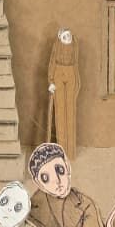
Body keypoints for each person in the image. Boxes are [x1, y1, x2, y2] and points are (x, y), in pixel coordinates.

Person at [47, 29, 79, 160]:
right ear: (60, 38)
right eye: (64, 36)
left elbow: (76, 64)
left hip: (71, 73)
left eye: (69, 36)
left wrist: (77, 82)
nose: (67, 38)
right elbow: (52, 62)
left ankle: (70, 152)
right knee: (60, 112)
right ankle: (62, 150)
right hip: (58, 73)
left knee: (70, 111)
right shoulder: (57, 46)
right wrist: (51, 81)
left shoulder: (74, 45)